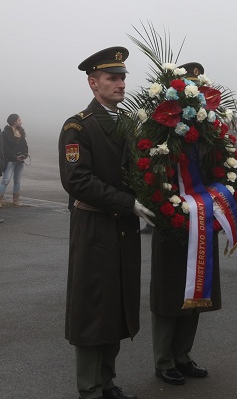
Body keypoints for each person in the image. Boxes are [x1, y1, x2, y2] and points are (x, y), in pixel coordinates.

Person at [59, 46, 155, 399]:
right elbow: (78, 181)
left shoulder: (127, 123)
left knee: (117, 302)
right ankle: (90, 387)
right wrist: (128, 202)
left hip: (123, 228)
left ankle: (107, 381)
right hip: (95, 227)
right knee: (93, 305)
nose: (121, 84)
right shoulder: (78, 126)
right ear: (93, 83)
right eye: (112, 78)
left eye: (123, 78)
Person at [150, 62, 215, 386]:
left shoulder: (208, 132)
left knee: (197, 289)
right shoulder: (159, 127)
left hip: (200, 220)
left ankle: (183, 355)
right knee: (171, 291)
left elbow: (217, 169)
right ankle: (164, 359)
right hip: (171, 219)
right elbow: (151, 170)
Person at [0, 113, 29, 207]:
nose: (21, 122)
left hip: (20, 160)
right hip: (10, 160)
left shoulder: (20, 132)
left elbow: (25, 145)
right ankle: (0, 200)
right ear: (14, 121)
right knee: (5, 180)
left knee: (17, 181)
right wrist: (14, 156)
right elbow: (5, 148)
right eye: (19, 120)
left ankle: (15, 200)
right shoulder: (5, 133)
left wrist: (25, 154)